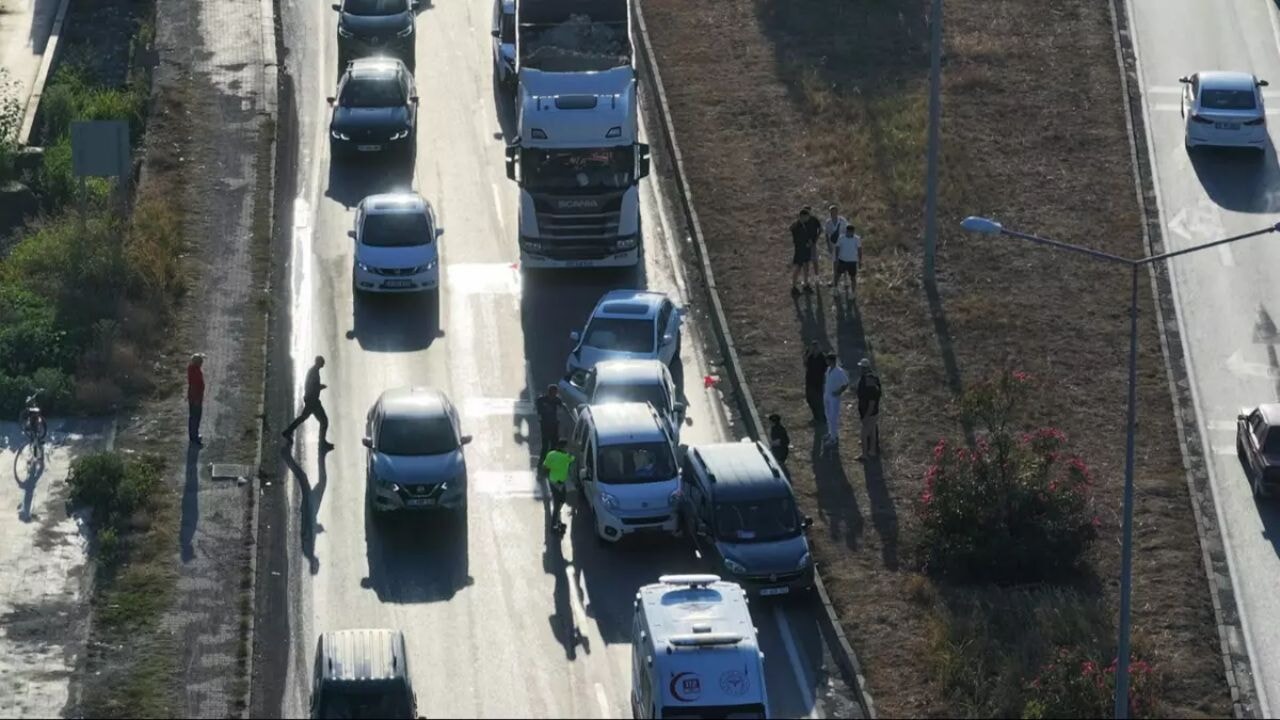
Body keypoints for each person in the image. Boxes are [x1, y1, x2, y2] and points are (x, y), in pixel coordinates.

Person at [283, 355, 334, 451]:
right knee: (324, 421)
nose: (324, 364)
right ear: (318, 362)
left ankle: (288, 432)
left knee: (303, 418)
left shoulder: (313, 371)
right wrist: (320, 387)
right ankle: (322, 443)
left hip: (311, 400)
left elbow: (311, 385)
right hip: (313, 401)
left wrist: (319, 387)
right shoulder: (314, 372)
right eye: (322, 362)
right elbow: (312, 387)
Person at [542, 439, 574, 533]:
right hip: (559, 483)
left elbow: (545, 466)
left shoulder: (551, 454)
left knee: (561, 500)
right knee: (558, 504)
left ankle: (557, 520)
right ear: (563, 448)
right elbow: (573, 458)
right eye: (567, 447)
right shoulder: (566, 457)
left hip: (553, 482)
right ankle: (553, 525)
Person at [789, 206, 821, 295]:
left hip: (806, 249)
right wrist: (805, 244)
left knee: (806, 266)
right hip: (800, 250)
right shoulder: (796, 226)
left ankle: (806, 284)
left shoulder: (805, 225)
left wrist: (810, 242)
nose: (808, 218)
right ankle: (794, 287)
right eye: (806, 217)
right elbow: (797, 239)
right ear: (802, 216)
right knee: (798, 267)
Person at [822, 353, 850, 451]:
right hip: (827, 395)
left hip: (834, 397)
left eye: (828, 360)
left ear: (832, 361)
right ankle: (831, 433)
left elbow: (846, 383)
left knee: (833, 417)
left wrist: (839, 392)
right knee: (828, 415)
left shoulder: (839, 371)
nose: (826, 362)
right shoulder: (829, 369)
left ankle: (834, 438)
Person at [855, 358, 881, 461]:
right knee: (872, 432)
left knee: (864, 435)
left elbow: (871, 404)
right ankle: (872, 451)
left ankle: (865, 454)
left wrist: (865, 417)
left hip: (869, 413)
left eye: (861, 367)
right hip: (873, 413)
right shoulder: (873, 380)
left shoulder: (870, 386)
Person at [535, 384, 567, 466]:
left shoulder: (557, 400)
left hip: (554, 425)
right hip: (545, 425)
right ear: (549, 392)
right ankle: (542, 463)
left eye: (555, 393)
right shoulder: (541, 400)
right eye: (553, 392)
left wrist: (564, 406)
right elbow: (539, 411)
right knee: (545, 446)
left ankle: (551, 462)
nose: (554, 394)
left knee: (554, 445)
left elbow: (562, 406)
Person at [834, 224, 863, 296]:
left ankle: (853, 292)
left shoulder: (857, 239)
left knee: (853, 277)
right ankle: (835, 289)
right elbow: (837, 247)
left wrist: (860, 261)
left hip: (852, 261)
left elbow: (859, 250)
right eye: (848, 231)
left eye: (851, 232)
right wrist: (836, 258)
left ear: (853, 232)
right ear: (846, 231)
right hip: (842, 260)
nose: (849, 233)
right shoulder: (841, 238)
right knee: (838, 275)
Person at [824, 204, 849, 286]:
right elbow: (827, 235)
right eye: (831, 212)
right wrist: (829, 246)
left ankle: (845, 280)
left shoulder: (842, 220)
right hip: (833, 245)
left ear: (837, 212)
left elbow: (847, 231)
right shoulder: (828, 222)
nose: (833, 213)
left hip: (842, 244)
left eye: (835, 211)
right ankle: (834, 280)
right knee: (835, 263)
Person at [803, 341, 827, 424]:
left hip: (818, 383)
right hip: (810, 381)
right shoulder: (809, 356)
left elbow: (826, 369)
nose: (815, 349)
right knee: (810, 400)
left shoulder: (822, 357)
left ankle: (822, 418)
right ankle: (816, 417)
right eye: (813, 347)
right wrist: (809, 353)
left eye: (816, 347)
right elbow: (805, 363)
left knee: (819, 401)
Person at [187, 353, 206, 446]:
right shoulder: (196, 372)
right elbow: (195, 386)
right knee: (196, 418)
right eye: (201, 361)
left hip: (192, 397)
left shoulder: (191, 369)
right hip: (196, 399)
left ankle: (192, 436)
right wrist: (196, 399)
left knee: (192, 417)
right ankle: (195, 438)